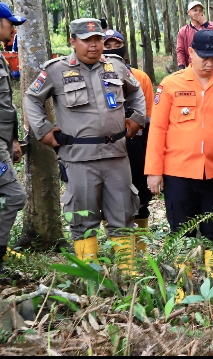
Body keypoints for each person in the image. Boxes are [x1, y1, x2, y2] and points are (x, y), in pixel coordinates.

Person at [24, 18, 145, 269]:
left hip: (116, 155)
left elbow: (136, 93)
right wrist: (44, 131)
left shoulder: (116, 66)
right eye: (87, 40)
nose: (94, 45)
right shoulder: (56, 70)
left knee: (123, 215)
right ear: (73, 42)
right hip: (79, 158)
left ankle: (127, 274)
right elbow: (31, 98)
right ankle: (91, 279)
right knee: (83, 220)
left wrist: (136, 118)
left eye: (98, 39)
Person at [145, 29, 213, 278]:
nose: (210, 63)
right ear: (191, 53)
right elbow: (157, 129)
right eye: (204, 57)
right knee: (180, 230)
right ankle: (180, 286)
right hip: (178, 172)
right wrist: (153, 171)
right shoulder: (171, 84)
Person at [102, 29, 154, 252]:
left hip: (136, 142)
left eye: (117, 45)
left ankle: (141, 250)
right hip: (105, 144)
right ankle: (117, 251)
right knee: (108, 198)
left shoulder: (140, 77)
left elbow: (150, 118)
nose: (114, 50)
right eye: (108, 46)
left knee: (141, 194)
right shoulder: (95, 77)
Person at [0, 3, 26, 272]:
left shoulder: (1, 56)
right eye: (11, 23)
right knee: (14, 196)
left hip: (3, 141)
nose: (14, 28)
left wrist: (13, 141)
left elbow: (6, 105)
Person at [177, 1, 213, 69]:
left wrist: (206, 24)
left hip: (209, 66)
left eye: (200, 10)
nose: (198, 13)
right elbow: (180, 50)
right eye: (195, 10)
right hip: (192, 67)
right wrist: (181, 67)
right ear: (188, 12)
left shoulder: (210, 25)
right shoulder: (183, 31)